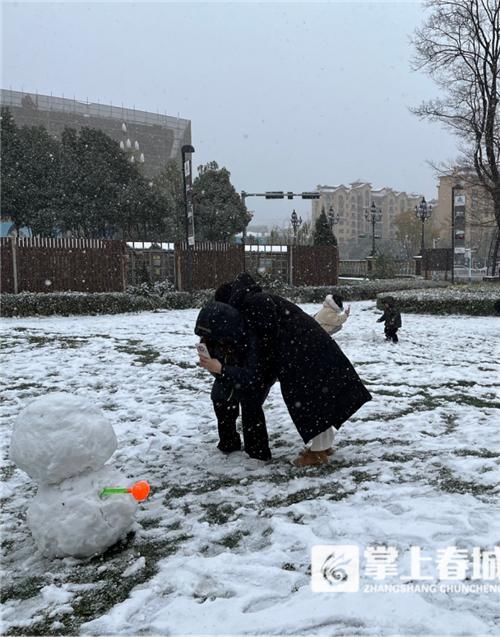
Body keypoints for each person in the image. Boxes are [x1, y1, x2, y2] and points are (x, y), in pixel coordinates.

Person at [215, 273, 372, 467]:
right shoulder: (256, 299)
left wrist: (253, 369)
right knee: (318, 398)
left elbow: (265, 342)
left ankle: (317, 454)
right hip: (306, 350)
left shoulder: (254, 304)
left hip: (304, 354)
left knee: (312, 401)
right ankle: (322, 446)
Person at [194, 301, 275, 461]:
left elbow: (253, 376)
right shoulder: (212, 339)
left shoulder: (250, 340)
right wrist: (213, 366)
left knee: (251, 406)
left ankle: (257, 450)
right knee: (220, 398)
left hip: (257, 378)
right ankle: (228, 442)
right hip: (230, 375)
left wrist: (221, 369)